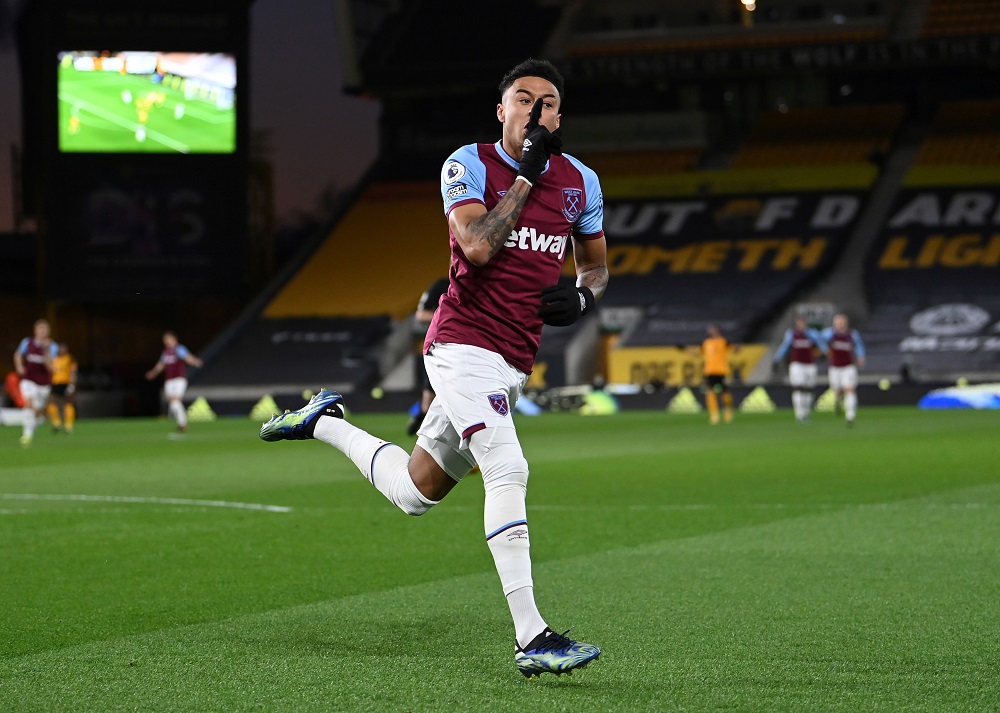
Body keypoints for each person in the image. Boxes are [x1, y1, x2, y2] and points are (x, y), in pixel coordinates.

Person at [260, 59, 606, 679]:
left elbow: (597, 267)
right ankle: (533, 636)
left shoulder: (582, 182)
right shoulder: (468, 164)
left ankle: (323, 422)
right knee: (507, 465)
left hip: (511, 360)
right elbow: (477, 247)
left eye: (547, 103)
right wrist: (524, 179)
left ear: (559, 117)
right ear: (501, 111)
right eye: (522, 100)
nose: (534, 110)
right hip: (460, 344)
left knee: (413, 492)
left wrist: (583, 296)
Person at [407, 276, 450, 435]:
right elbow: (421, 314)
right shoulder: (442, 285)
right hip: (441, 345)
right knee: (432, 387)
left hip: (471, 346)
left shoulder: (480, 282)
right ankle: (424, 417)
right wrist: (449, 317)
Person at [772, 317, 828, 423]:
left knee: (809, 388)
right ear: (796, 323)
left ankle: (807, 412)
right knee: (798, 387)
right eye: (799, 322)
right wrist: (777, 359)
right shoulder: (791, 334)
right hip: (797, 364)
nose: (801, 324)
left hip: (810, 364)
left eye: (803, 322)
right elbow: (784, 346)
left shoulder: (811, 334)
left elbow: (821, 343)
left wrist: (825, 353)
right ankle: (799, 414)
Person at [145, 331, 203, 432]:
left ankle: (183, 423)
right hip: (169, 380)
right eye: (165, 339)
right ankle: (182, 423)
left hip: (179, 379)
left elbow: (187, 357)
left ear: (174, 339)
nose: (166, 341)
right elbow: (161, 364)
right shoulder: (166, 352)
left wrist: (195, 361)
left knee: (175, 400)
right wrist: (153, 373)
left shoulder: (179, 349)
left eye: (167, 339)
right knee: (173, 403)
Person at [13, 319, 57, 446]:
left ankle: (33, 427)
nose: (43, 331)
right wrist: (19, 366)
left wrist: (47, 351)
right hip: (28, 379)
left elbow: (50, 367)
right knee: (29, 403)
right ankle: (26, 435)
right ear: (35, 330)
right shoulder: (27, 342)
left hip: (44, 383)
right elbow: (18, 354)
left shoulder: (52, 346)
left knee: (38, 412)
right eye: (40, 328)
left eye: (45, 328)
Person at [822, 314, 866, 425]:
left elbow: (859, 345)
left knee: (849, 389)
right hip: (834, 367)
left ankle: (850, 416)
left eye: (842, 322)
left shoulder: (852, 334)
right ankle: (838, 400)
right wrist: (824, 349)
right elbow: (819, 340)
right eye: (838, 323)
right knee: (836, 389)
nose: (840, 325)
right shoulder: (829, 334)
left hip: (848, 367)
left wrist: (861, 356)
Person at [699, 325, 735, 424]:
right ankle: (714, 415)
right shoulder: (706, 343)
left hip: (722, 371)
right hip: (710, 371)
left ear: (717, 331)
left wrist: (737, 348)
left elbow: (734, 349)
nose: (711, 332)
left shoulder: (723, 341)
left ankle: (728, 412)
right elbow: (699, 352)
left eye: (713, 330)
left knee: (725, 392)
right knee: (710, 392)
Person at [47, 342, 79, 433]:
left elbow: (73, 372)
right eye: (60, 348)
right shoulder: (55, 359)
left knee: (68, 403)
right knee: (52, 403)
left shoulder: (70, 359)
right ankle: (56, 423)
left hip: (66, 383)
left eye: (63, 348)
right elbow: (50, 370)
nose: (62, 350)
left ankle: (69, 425)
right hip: (56, 383)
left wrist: (72, 385)